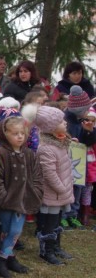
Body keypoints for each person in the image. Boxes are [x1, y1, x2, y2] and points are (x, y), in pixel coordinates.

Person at [0, 110, 42, 278]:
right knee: (8, 230)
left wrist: (36, 192)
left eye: (22, 133)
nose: (19, 137)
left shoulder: (29, 154)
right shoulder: (1, 154)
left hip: (24, 200)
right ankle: (6, 258)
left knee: (16, 230)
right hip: (6, 201)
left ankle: (2, 259)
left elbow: (37, 175)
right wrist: (3, 198)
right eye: (15, 133)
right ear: (5, 133)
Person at [22, 104, 74, 265]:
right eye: (61, 121)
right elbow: (49, 173)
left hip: (60, 193)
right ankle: (47, 251)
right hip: (53, 193)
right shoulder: (46, 149)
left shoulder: (60, 143)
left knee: (57, 221)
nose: (65, 123)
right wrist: (62, 188)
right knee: (49, 224)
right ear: (51, 127)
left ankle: (56, 247)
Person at [61, 85, 96, 230]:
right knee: (67, 188)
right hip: (66, 160)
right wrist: (69, 140)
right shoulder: (66, 121)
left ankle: (73, 215)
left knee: (78, 188)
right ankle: (63, 216)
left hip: (80, 161)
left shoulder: (84, 121)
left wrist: (89, 132)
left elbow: (89, 142)